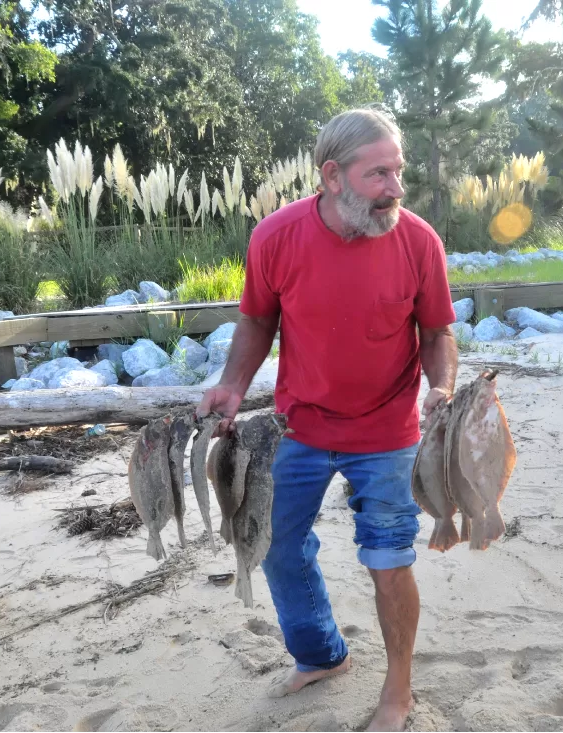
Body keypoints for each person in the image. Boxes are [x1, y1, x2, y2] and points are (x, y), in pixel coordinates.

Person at [196, 107, 458, 732]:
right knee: (273, 545)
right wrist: (233, 384)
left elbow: (437, 331)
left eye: (399, 172)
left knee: (388, 558)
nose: (395, 188)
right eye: (379, 175)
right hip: (299, 427)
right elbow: (258, 320)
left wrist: (441, 386)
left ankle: (398, 692)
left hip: (387, 432)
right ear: (332, 175)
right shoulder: (276, 237)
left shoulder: (419, 241)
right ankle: (320, 654)